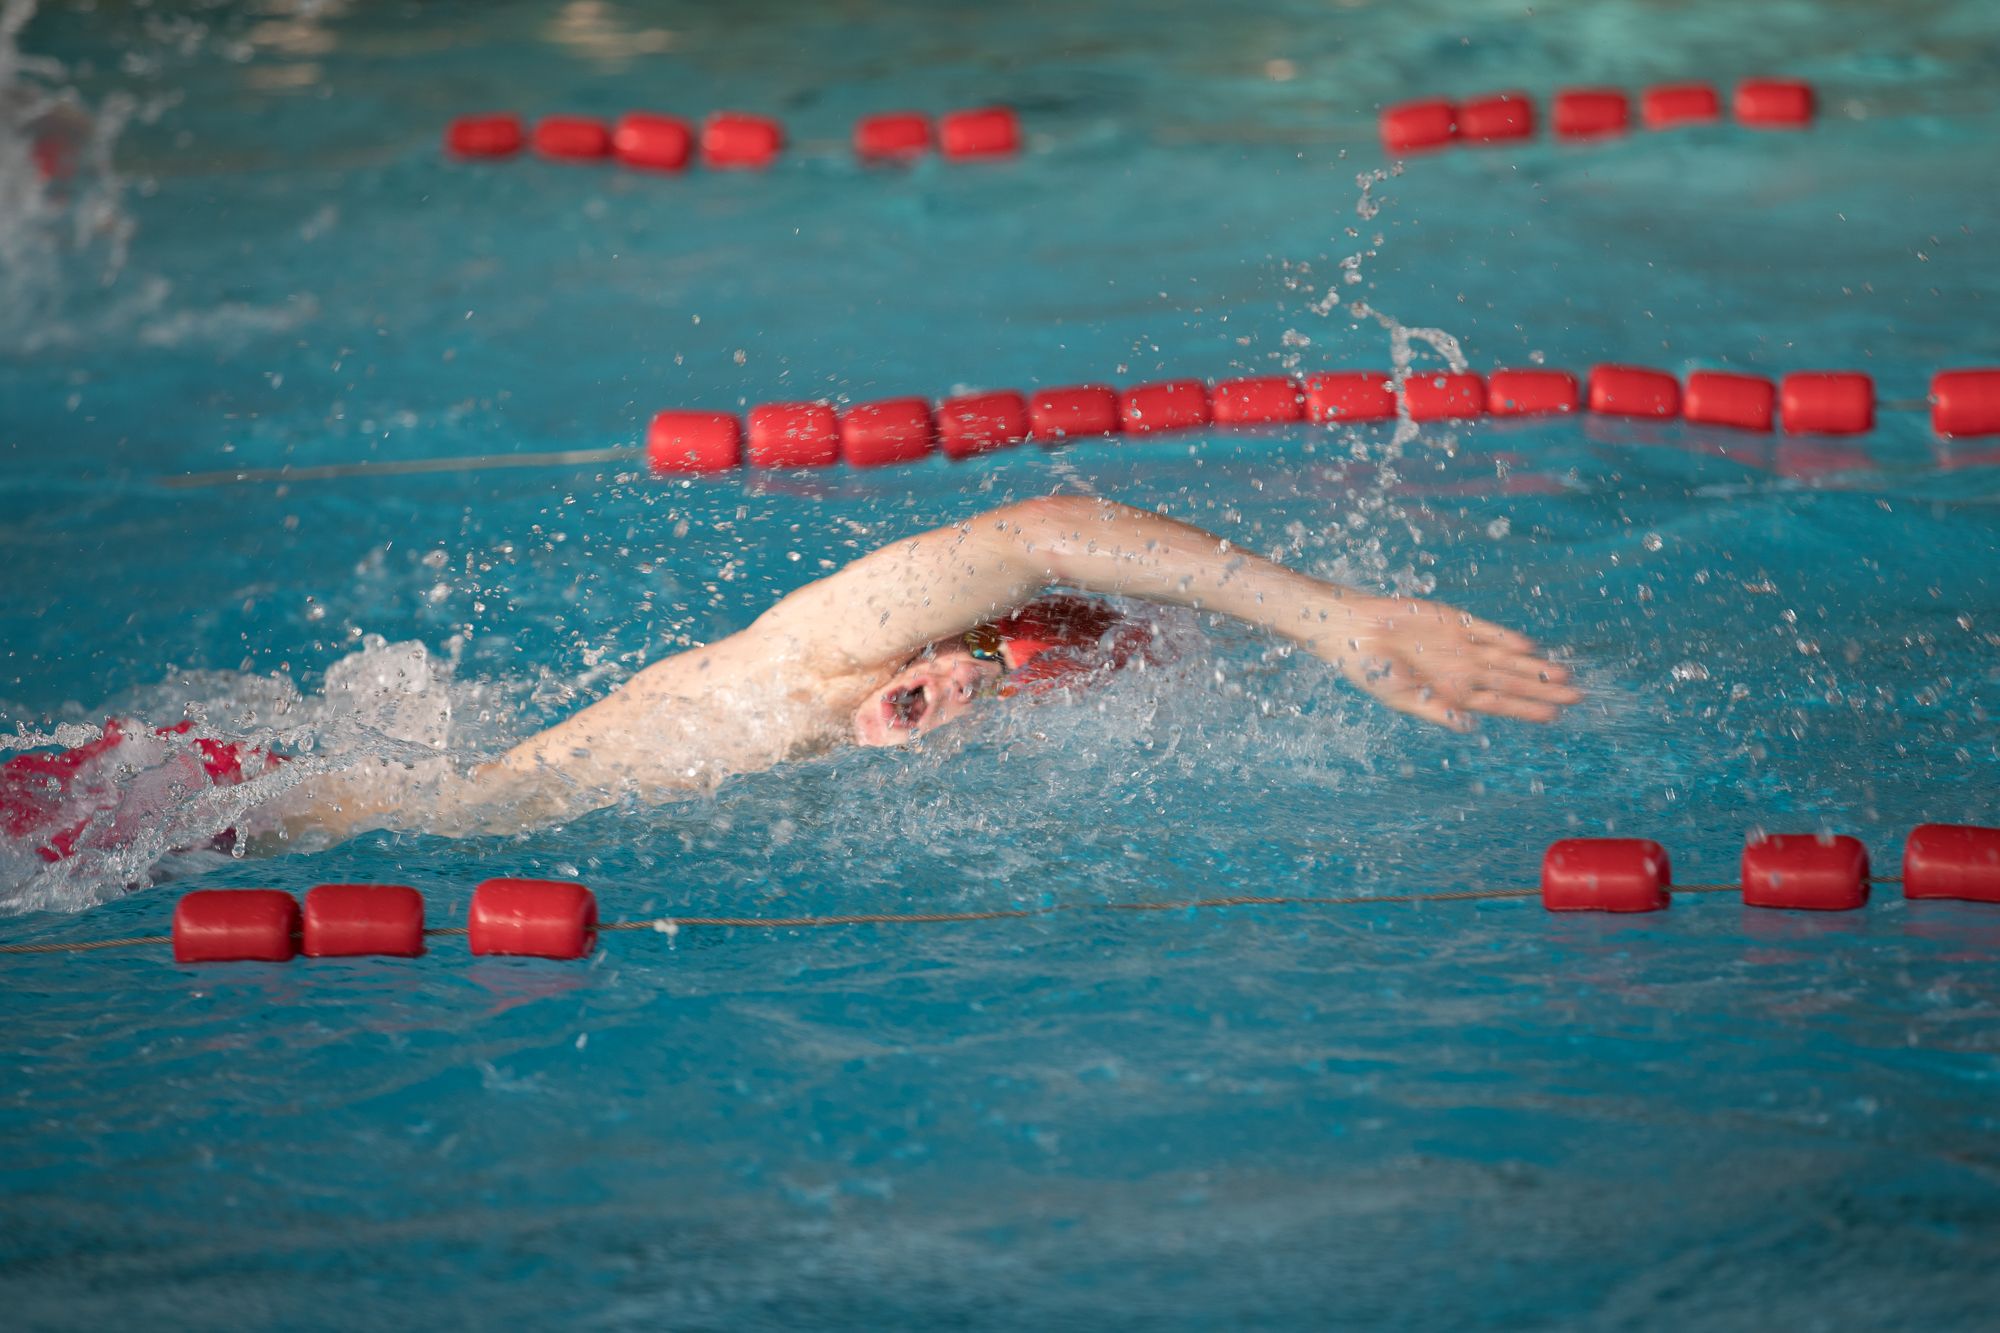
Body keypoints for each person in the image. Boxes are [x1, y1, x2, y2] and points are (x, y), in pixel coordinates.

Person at [4, 495, 1580, 861]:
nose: (1017, 702)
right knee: (433, 803)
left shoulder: (885, 697)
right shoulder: (846, 636)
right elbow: (1044, 527)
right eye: (1027, 672)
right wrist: (1340, 618)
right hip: (403, 810)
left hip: (506, 770)